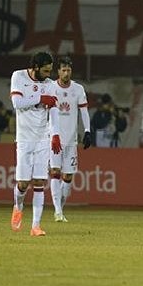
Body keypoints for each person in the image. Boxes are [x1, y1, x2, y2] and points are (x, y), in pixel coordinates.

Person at [9, 51, 61, 237]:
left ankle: (36, 226)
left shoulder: (49, 85)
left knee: (39, 181)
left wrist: (55, 135)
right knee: (23, 183)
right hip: (24, 138)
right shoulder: (19, 76)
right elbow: (17, 102)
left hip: (42, 138)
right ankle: (18, 206)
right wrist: (40, 99)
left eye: (50, 71)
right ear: (36, 67)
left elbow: (54, 110)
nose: (49, 74)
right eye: (46, 71)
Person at [49, 56, 91, 223]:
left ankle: (60, 208)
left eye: (69, 70)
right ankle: (58, 211)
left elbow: (84, 111)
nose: (66, 73)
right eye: (63, 70)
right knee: (55, 172)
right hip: (54, 139)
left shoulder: (78, 89)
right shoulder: (51, 87)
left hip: (71, 139)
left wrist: (87, 131)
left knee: (68, 177)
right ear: (58, 71)